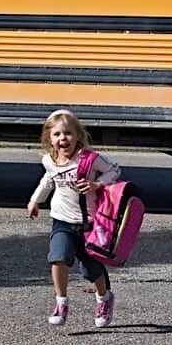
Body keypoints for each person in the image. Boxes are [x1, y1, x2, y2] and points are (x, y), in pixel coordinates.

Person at [26, 109, 120, 327]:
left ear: (78, 135)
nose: (63, 139)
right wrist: (35, 201)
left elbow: (115, 170)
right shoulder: (50, 161)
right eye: (57, 135)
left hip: (89, 223)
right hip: (61, 220)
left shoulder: (89, 159)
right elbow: (47, 181)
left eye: (68, 133)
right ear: (49, 138)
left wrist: (97, 184)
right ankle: (61, 302)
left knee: (91, 269)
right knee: (58, 257)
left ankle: (104, 298)